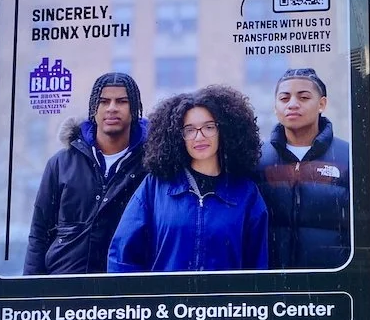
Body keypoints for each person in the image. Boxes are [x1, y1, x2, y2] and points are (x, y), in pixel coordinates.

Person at [107, 85, 268, 273]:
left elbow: (258, 267)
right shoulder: (155, 187)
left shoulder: (246, 193)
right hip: (166, 301)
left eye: (209, 127)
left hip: (225, 302)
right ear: (178, 136)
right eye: (189, 130)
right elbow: (122, 256)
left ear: (225, 130)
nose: (199, 137)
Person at [23, 72, 147, 274]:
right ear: (93, 109)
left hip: (125, 291)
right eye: (104, 101)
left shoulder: (150, 165)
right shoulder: (60, 163)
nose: (112, 108)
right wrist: (29, 292)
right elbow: (39, 232)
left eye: (121, 101)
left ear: (134, 109)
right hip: (64, 288)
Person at [257, 67, 350, 269]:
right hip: (270, 286)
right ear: (275, 107)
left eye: (303, 97)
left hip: (331, 284)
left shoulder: (348, 157)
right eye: (284, 99)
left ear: (322, 104)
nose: (292, 104)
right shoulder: (257, 159)